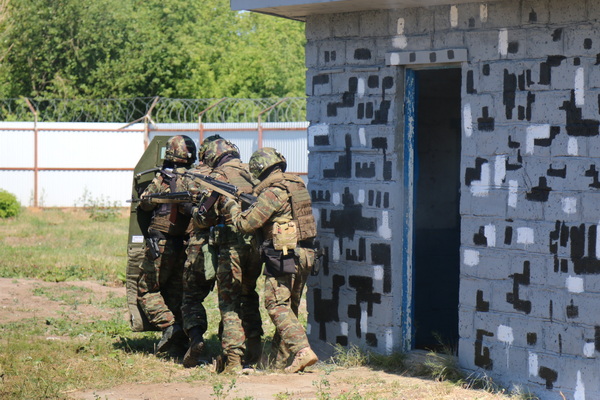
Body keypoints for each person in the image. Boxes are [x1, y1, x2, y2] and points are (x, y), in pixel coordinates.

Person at [223, 147, 318, 373]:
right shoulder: (296, 186)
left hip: (284, 255)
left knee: (276, 305)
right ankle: (279, 365)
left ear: (258, 170)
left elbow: (245, 225)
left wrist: (231, 205)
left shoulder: (273, 192)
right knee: (289, 309)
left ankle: (303, 350)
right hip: (306, 253)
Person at [196, 138, 263, 373]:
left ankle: (233, 360)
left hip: (231, 247)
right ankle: (255, 353)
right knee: (249, 294)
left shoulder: (218, 177)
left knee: (230, 303)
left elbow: (203, 217)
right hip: (257, 246)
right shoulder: (252, 173)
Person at [136, 135, 196, 355]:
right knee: (175, 293)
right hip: (185, 245)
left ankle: (171, 328)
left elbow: (144, 203)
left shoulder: (163, 178)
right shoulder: (196, 178)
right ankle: (181, 341)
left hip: (160, 243)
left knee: (146, 291)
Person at [179, 135, 221, 368]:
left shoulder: (189, 177)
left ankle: (195, 340)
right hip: (228, 246)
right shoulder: (227, 175)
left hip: (198, 246)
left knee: (191, 298)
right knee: (232, 300)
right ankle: (234, 350)